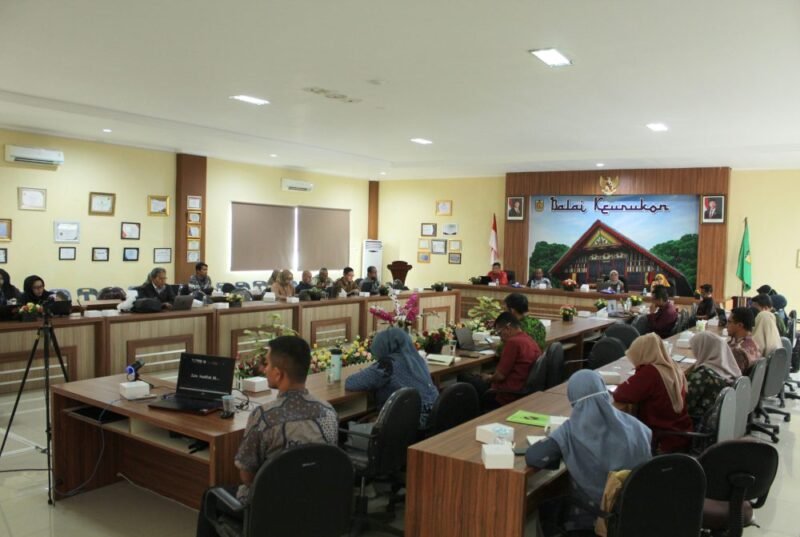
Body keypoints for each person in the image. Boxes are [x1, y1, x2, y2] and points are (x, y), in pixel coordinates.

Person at [195, 336, 338, 537]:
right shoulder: (328, 411)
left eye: (267, 364)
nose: (264, 369)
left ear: (278, 374)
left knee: (210, 495)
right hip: (316, 503)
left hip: (270, 509)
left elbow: (247, 476)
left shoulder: (265, 417)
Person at [526, 370, 652, 536]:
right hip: (637, 513)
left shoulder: (570, 430)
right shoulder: (637, 425)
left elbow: (534, 457)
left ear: (573, 400)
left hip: (595, 518)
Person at [613, 333, 693, 452]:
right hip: (681, 430)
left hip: (663, 438)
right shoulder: (672, 366)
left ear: (643, 355)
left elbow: (621, 393)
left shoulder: (651, 373)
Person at [344, 327, 439, 427]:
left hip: (410, 422)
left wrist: (369, 371)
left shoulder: (387, 365)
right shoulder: (417, 360)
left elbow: (351, 383)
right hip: (432, 417)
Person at [471, 312, 541, 409]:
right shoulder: (528, 339)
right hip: (523, 390)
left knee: (470, 381)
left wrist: (488, 377)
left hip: (506, 395)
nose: (501, 338)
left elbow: (500, 376)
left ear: (508, 327)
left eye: (499, 333)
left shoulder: (513, 342)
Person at [685, 332, 741, 424]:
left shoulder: (702, 374)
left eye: (695, 349)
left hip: (699, 422)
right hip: (721, 423)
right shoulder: (729, 371)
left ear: (703, 349)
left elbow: (685, 405)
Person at [727, 307, 761, 373]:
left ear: (740, 325)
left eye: (729, 322)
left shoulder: (738, 351)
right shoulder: (754, 343)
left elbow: (728, 375)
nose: (726, 325)